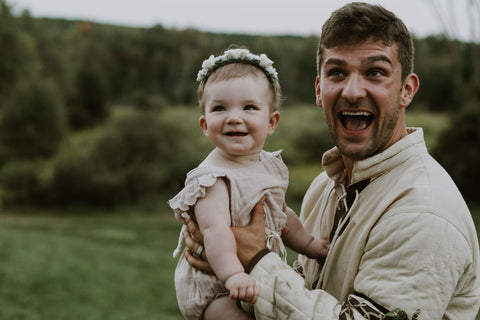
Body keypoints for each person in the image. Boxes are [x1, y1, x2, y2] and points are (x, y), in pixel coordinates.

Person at [183, 3, 480, 319]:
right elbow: (306, 292)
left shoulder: (423, 213)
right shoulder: (325, 186)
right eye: (337, 72)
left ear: (406, 90)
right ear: (319, 89)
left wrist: (255, 261)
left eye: (375, 72)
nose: (352, 91)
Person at [169, 47, 330, 320]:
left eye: (249, 107)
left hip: (255, 278)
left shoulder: (266, 166)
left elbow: (282, 216)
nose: (234, 117)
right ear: (205, 124)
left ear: (271, 122)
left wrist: (311, 245)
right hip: (218, 289)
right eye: (220, 108)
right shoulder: (212, 178)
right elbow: (214, 232)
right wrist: (233, 276)